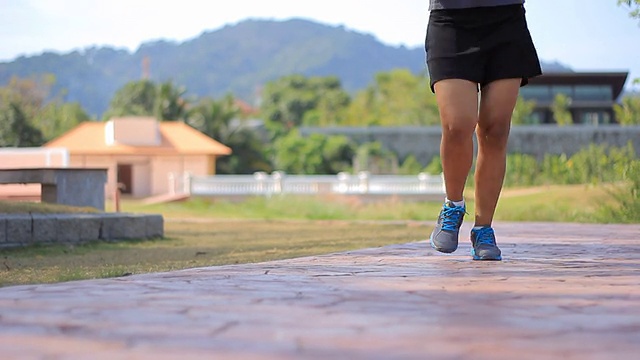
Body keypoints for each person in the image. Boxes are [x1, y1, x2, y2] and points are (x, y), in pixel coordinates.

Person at [426, 0, 542, 260]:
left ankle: (483, 229)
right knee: (458, 124)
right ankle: (453, 205)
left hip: (506, 19)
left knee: (495, 130)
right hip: (451, 19)